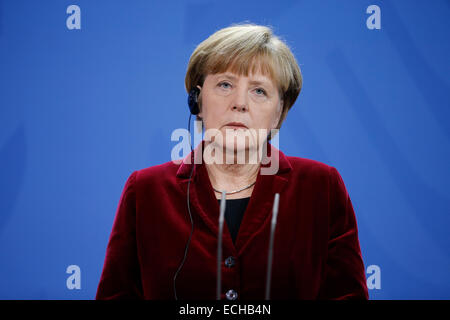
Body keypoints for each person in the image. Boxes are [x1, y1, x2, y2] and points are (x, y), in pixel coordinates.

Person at [95, 23, 369, 300]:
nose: (240, 103)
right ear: (197, 102)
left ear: (278, 113)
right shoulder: (146, 190)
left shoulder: (321, 186)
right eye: (225, 85)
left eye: (259, 91)